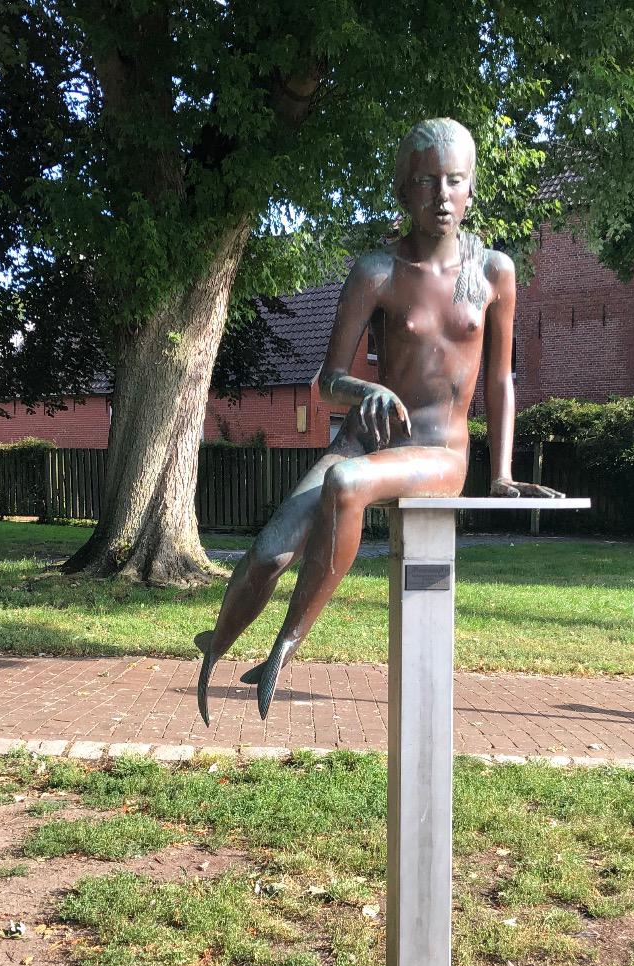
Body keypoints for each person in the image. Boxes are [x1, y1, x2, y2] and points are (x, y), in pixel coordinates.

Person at [195, 117, 562, 723]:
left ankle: (285, 646)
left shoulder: (494, 272)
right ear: (403, 191)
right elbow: (327, 382)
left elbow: (501, 380)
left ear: (471, 189)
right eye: (425, 182)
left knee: (347, 485)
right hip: (365, 439)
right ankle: (214, 648)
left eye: (454, 181)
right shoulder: (378, 272)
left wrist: (500, 473)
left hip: (437, 452)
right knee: (268, 553)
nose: (441, 196)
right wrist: (364, 388)